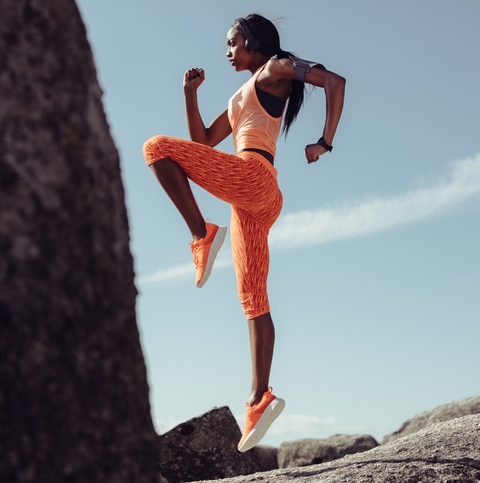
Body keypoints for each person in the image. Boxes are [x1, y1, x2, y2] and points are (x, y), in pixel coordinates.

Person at [142, 13, 345, 452]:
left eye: (233, 42)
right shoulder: (239, 97)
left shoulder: (275, 68)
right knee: (253, 298)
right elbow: (202, 143)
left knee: (156, 149)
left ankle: (202, 235)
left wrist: (324, 142)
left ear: (254, 43)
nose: (228, 51)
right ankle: (259, 398)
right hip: (253, 198)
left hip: (255, 177)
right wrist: (188, 94)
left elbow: (335, 82)